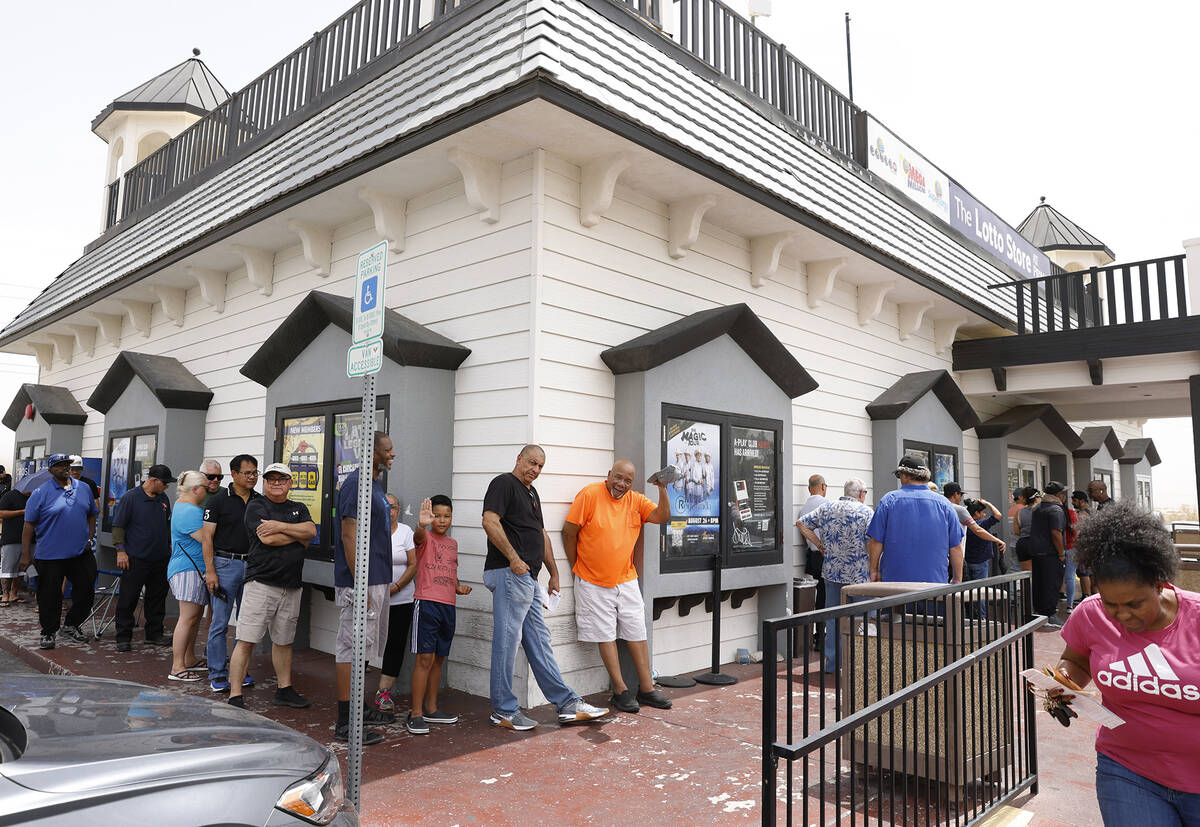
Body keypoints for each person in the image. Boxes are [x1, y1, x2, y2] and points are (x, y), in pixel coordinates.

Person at [1050, 502, 1200, 825]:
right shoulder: (1090, 614)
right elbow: (1075, 660)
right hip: (1127, 770)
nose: (1122, 614)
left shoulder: (1196, 618)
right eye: (1111, 604)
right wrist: (1062, 682)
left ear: (1159, 584)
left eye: (1134, 603)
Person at [482, 445, 607, 731]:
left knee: (539, 642)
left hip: (527, 579)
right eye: (532, 463)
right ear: (519, 459)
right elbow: (489, 522)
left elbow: (540, 534)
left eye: (540, 466)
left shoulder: (531, 493)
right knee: (507, 642)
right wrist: (513, 558)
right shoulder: (503, 484)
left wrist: (553, 572)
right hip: (509, 573)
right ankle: (503, 710)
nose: (535, 470)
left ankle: (566, 703)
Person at [561, 460, 672, 714]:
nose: (621, 484)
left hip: (626, 579)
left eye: (627, 481)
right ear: (608, 474)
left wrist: (662, 488)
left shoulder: (636, 500)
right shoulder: (590, 494)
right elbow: (569, 532)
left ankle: (647, 689)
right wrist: (576, 566)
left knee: (637, 631)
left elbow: (662, 516)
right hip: (592, 580)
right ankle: (620, 691)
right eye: (618, 477)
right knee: (605, 634)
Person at [227, 463, 314, 711]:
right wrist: (296, 536)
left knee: (284, 641)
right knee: (246, 640)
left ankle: (284, 690)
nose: (276, 482)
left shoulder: (299, 508)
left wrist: (280, 526)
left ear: (290, 482)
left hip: (292, 585)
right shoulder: (257, 505)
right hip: (261, 583)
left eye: (282, 478)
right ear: (264, 482)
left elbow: (310, 531)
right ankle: (235, 696)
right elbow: (267, 538)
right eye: (271, 478)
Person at [333, 431, 397, 744]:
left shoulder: (375, 484)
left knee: (367, 644)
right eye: (388, 449)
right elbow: (349, 534)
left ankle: (360, 708)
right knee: (351, 646)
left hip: (378, 577)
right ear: (372, 451)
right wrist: (359, 584)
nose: (393, 454)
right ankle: (346, 722)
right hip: (362, 580)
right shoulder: (356, 483)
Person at [406, 495, 472, 735]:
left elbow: (450, 574)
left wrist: (459, 587)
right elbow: (418, 537)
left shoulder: (453, 544)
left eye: (447, 516)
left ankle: (432, 709)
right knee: (425, 658)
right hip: (426, 604)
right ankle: (415, 713)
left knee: (439, 659)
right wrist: (422, 524)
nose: (442, 520)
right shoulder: (425, 538)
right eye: (437, 515)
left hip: (448, 606)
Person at [20, 454, 98, 649]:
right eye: (58, 465)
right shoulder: (40, 493)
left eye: (66, 465)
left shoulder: (84, 488)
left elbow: (92, 515)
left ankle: (71, 625)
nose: (64, 468)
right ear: (50, 470)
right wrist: (25, 554)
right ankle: (48, 632)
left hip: (80, 552)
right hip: (50, 554)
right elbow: (28, 525)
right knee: (49, 595)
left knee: (87, 590)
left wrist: (89, 538)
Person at [796, 477, 873, 673]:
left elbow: (801, 524)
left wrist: (819, 544)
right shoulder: (866, 512)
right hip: (858, 576)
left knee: (833, 618)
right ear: (861, 494)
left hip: (831, 573)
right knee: (862, 620)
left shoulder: (826, 508)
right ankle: (859, 664)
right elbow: (873, 541)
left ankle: (832, 664)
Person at [199, 454, 260, 692]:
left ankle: (239, 670)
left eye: (255, 472)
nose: (253, 477)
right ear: (234, 475)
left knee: (247, 624)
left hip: (253, 567)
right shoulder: (218, 501)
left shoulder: (259, 501)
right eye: (248, 473)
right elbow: (207, 538)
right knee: (220, 623)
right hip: (225, 565)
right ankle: (217, 673)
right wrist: (210, 572)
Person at [866, 455, 964, 584]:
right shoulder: (945, 504)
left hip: (894, 584)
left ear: (904, 475)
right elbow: (955, 547)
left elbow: (876, 541)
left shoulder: (889, 501)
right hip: (934, 584)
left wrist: (873, 571)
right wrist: (957, 578)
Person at [112, 464, 176, 652]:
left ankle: (154, 634)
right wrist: (120, 551)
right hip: (135, 558)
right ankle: (123, 637)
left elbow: (166, 526)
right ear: (154, 480)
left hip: (160, 558)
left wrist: (169, 546)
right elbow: (118, 526)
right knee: (128, 599)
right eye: (165, 483)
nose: (167, 487)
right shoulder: (130, 498)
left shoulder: (163, 499)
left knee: (157, 599)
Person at [166, 471, 212, 682]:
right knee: (188, 618)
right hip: (188, 570)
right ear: (195, 489)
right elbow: (207, 538)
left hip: (191, 569)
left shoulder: (183, 507)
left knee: (193, 618)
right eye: (205, 487)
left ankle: (190, 658)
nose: (208, 490)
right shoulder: (189, 511)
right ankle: (177, 666)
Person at [375, 493, 417, 713]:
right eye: (383, 506)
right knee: (368, 642)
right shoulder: (371, 531)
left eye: (392, 507)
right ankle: (355, 691)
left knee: (395, 645)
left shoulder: (405, 532)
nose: (388, 510)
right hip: (375, 598)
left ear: (398, 511)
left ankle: (384, 693)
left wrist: (397, 587)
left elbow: (412, 564)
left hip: (402, 598)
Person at [1027, 481, 1068, 626]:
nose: (1064, 496)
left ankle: (1039, 612)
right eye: (1063, 493)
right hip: (1051, 553)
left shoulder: (1038, 508)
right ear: (1058, 494)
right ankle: (1049, 614)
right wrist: (1061, 553)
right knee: (1052, 584)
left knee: (1039, 583)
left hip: (1037, 552)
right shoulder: (1056, 510)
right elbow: (1056, 533)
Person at [943, 483, 1006, 569]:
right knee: (960, 581)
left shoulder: (940, 507)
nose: (961, 497)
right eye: (960, 494)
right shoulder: (960, 510)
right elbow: (978, 530)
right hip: (958, 555)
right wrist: (997, 540)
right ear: (955, 494)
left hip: (943, 555)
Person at [796, 474, 828, 612]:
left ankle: (819, 631)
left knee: (819, 591)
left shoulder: (803, 510)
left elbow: (804, 537)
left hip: (813, 556)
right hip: (825, 555)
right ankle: (824, 631)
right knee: (827, 593)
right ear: (823, 486)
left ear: (809, 488)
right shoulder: (827, 505)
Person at [0, 486, 29, 607]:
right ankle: (5, 595)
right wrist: (22, 512)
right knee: (8, 568)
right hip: (11, 538)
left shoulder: (34, 498)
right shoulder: (10, 496)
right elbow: (1, 513)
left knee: (22, 569)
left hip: (29, 539)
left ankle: (14, 594)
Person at [963, 499, 1003, 582]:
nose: (985, 515)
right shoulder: (981, 523)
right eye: (983, 512)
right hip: (980, 562)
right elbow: (998, 515)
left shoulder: (965, 524)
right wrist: (988, 503)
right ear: (977, 513)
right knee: (981, 589)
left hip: (968, 560)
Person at [1071, 490, 1095, 600]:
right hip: (1092, 544)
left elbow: (1078, 531)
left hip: (1084, 545)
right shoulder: (1093, 511)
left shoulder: (1081, 514)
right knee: (1090, 571)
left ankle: (1086, 595)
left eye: (1074, 500)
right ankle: (1092, 595)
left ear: (1081, 501)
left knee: (1083, 571)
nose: (1072, 502)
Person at [1012, 486, 1040, 573]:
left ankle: (1027, 587)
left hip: (1023, 544)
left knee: (1026, 575)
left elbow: (1016, 531)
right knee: (1039, 573)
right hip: (1037, 542)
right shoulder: (1041, 510)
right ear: (1036, 498)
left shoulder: (1019, 512)